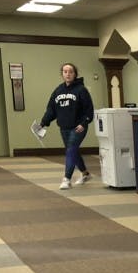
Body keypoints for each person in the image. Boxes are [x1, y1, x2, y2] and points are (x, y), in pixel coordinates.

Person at [40, 62, 94, 190]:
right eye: (65, 71)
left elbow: (89, 109)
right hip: (64, 127)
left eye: (70, 71)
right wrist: (43, 123)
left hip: (78, 127)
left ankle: (66, 179)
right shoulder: (58, 91)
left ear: (75, 74)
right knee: (73, 151)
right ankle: (85, 174)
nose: (68, 74)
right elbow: (51, 110)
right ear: (62, 74)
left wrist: (84, 123)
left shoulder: (81, 90)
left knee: (70, 150)